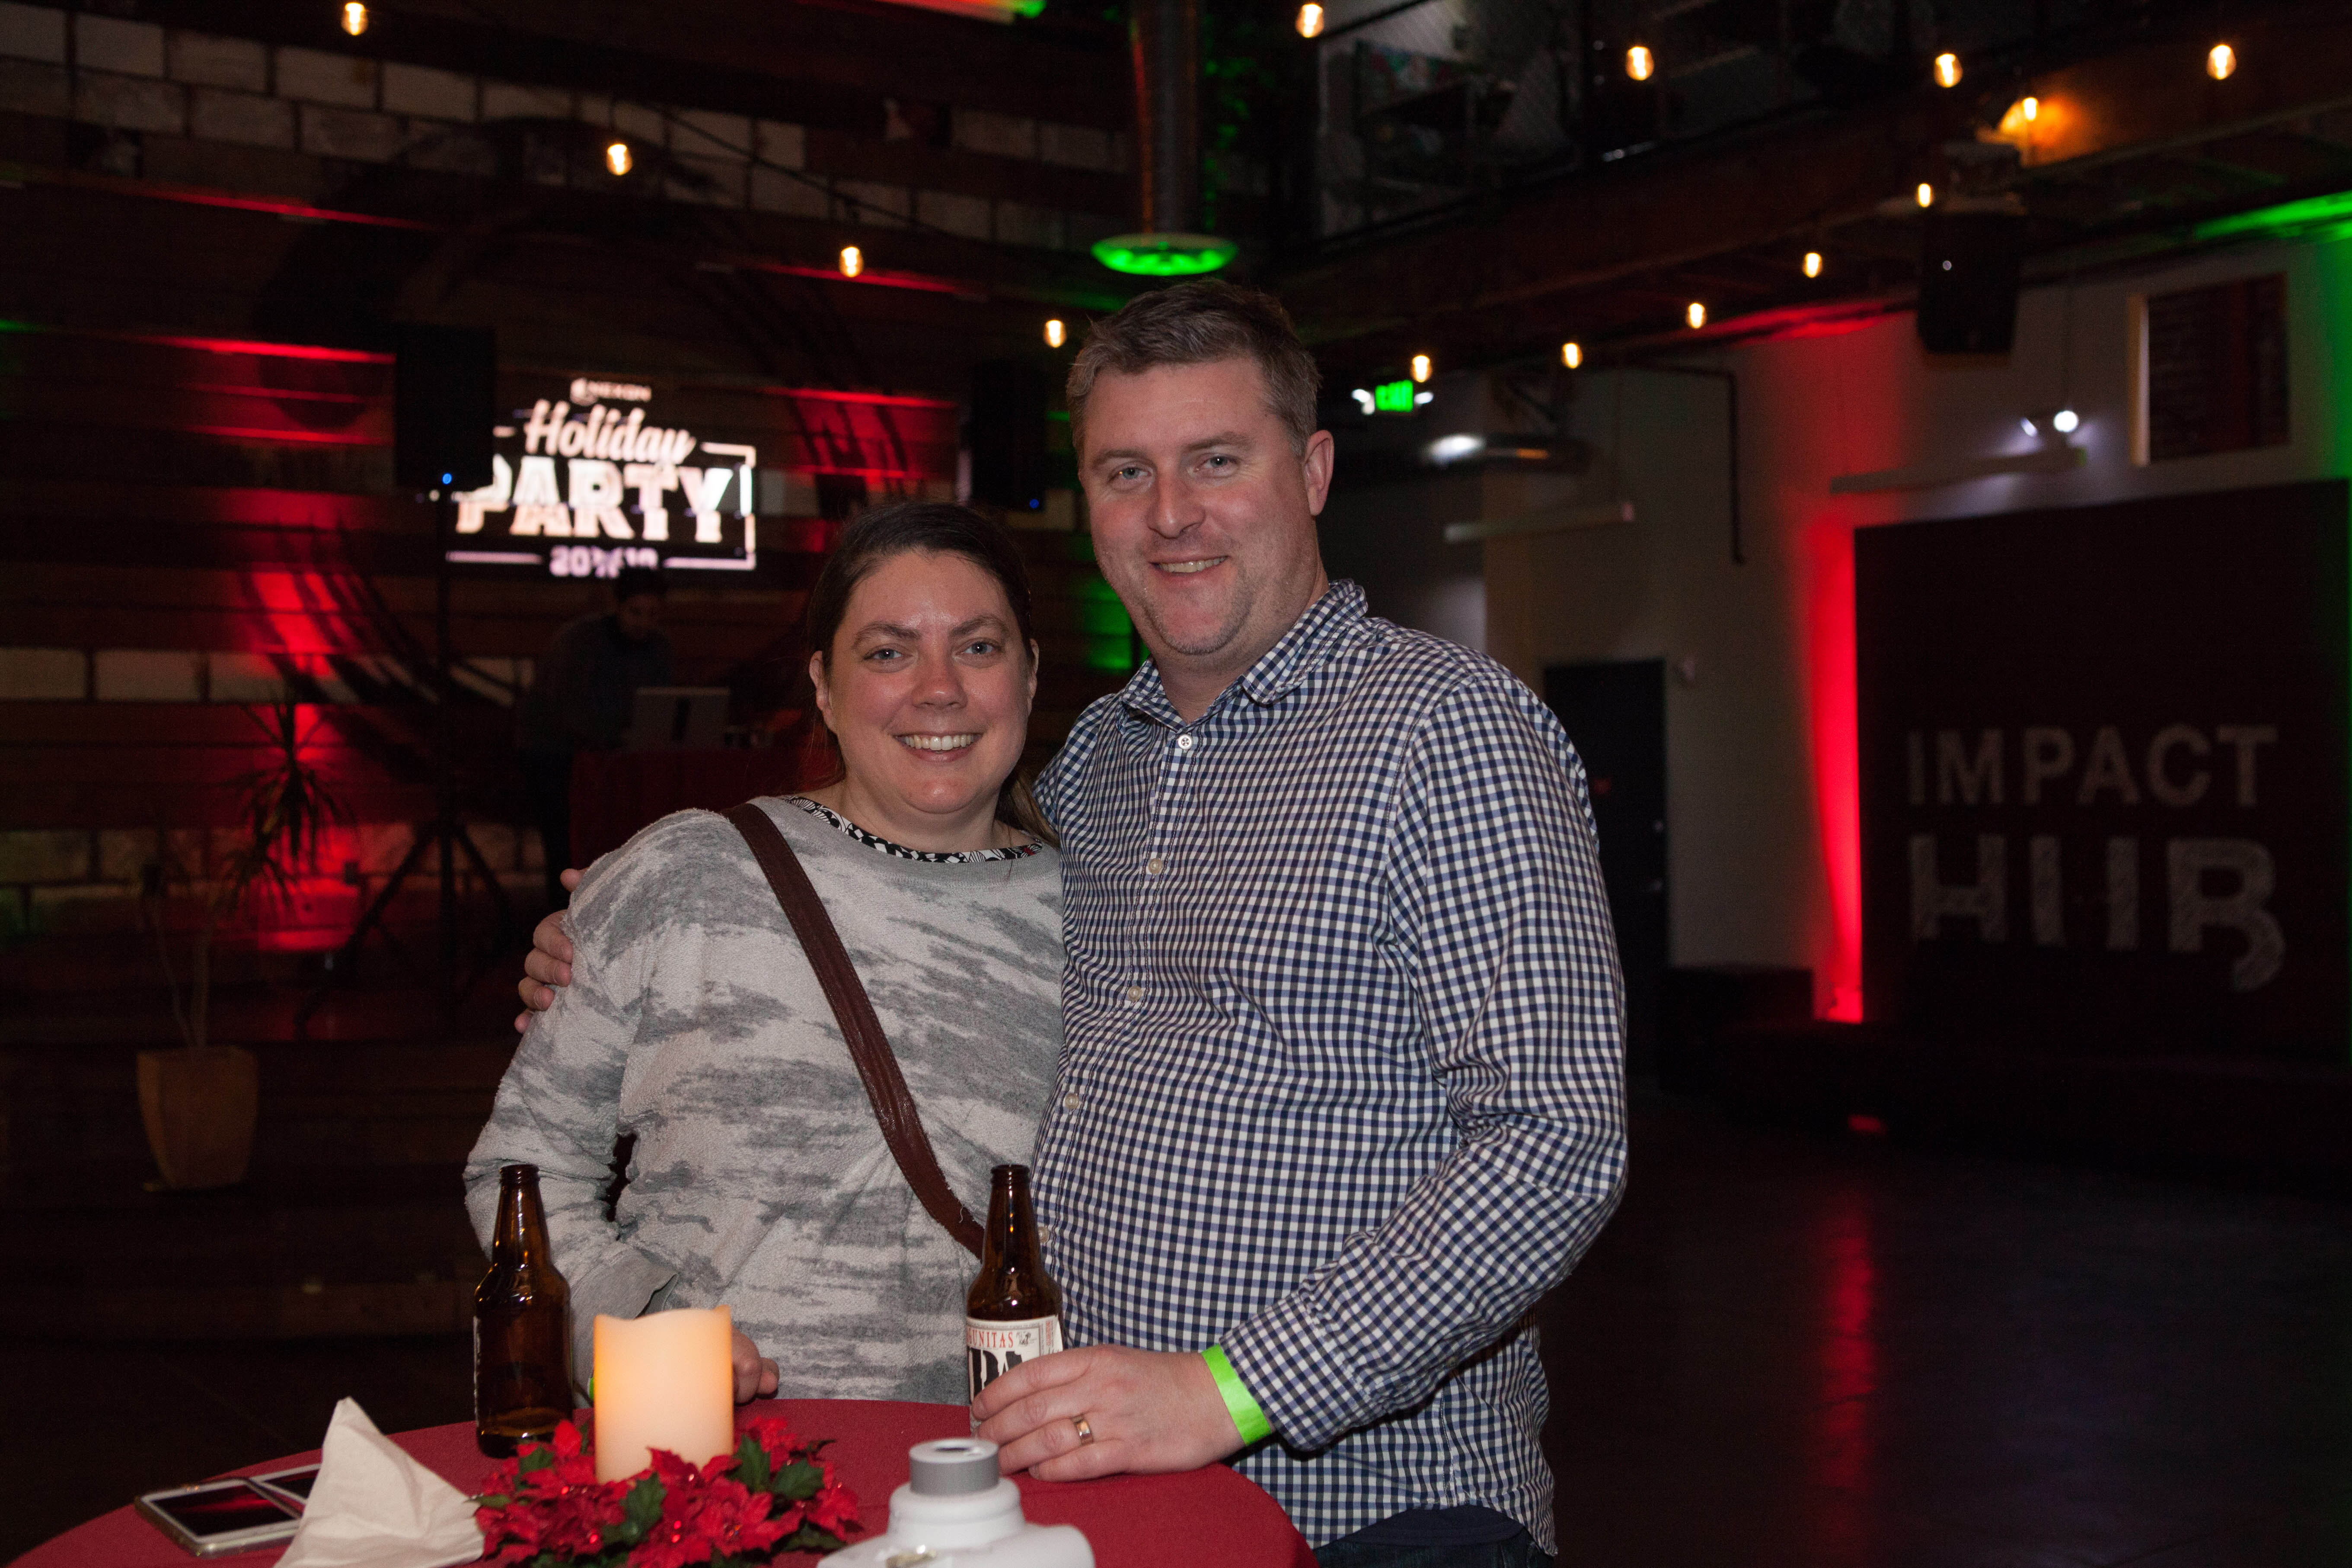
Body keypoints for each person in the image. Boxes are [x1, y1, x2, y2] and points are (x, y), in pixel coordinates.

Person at [521, 284, 1625, 1565]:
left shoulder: (1444, 732)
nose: (1171, 514)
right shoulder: (1099, 765)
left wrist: (1229, 1390)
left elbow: (1554, 1144)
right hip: (1108, 1496)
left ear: (1315, 471)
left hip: (1378, 1513)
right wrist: (615, 944)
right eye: (1125, 472)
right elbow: (922, 905)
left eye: (1217, 461)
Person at [469, 503, 1064, 1406]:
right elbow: (521, 1161)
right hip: (707, 1457)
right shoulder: (690, 872)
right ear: (823, 685)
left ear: (1029, 674)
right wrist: (629, 1326)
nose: (938, 688)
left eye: (978, 647)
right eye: (889, 652)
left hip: (987, 1463)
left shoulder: (1103, 917)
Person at [514, 566, 674, 907]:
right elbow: (561, 709)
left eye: (653, 614)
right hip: (558, 761)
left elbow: (659, 707)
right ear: (617, 606)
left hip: (615, 765)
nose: (643, 623)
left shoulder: (659, 647)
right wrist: (614, 736)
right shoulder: (579, 641)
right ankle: (563, 914)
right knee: (566, 849)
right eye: (635, 612)